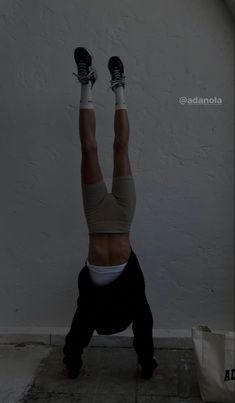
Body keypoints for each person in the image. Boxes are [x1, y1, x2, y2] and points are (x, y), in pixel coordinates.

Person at [62, 47, 158, 380]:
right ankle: (116, 87)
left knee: (97, 148)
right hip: (122, 211)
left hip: (97, 217)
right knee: (110, 148)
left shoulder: (125, 296)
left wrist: (148, 364)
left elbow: (143, 322)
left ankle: (88, 83)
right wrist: (72, 364)